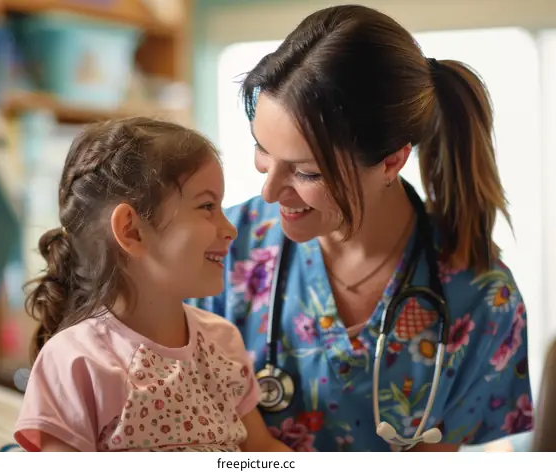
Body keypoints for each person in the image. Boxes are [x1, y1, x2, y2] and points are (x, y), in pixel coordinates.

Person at [187, 5, 534, 452]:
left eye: (306, 172)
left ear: (392, 160)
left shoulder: (480, 295)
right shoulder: (220, 245)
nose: (270, 193)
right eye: (262, 151)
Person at [14, 117, 292, 453]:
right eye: (207, 206)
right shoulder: (77, 362)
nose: (230, 229)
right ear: (131, 230)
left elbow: (262, 452)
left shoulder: (223, 342)